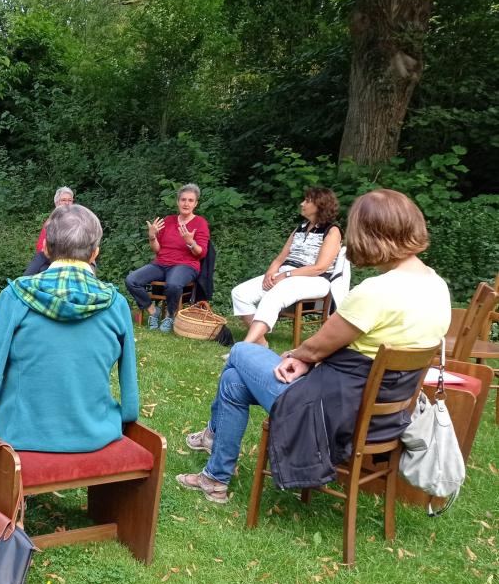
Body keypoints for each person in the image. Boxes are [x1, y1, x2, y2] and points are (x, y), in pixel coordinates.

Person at [177, 189, 451, 504]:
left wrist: (299, 356)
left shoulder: (377, 291)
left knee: (240, 353)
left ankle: (213, 441)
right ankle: (214, 478)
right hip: (384, 417)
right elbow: (330, 350)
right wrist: (307, 358)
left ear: (370, 235)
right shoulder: (436, 285)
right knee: (234, 382)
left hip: (330, 415)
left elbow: (317, 346)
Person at [0, 204, 138, 471]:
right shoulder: (116, 304)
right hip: (97, 433)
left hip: (20, 433)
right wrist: (126, 416)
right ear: (95, 253)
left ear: (46, 249)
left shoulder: (15, 297)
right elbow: (129, 383)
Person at [231, 187, 343, 345]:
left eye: (307, 201)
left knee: (273, 295)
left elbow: (320, 267)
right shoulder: (300, 228)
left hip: (314, 279)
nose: (302, 203)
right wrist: (270, 273)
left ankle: (245, 346)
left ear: (320, 205)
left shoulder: (332, 231)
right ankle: (261, 342)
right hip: (286, 274)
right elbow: (280, 258)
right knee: (240, 293)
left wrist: (286, 275)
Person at [125, 183, 209, 332]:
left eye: (190, 200)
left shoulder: (200, 223)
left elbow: (201, 253)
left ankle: (170, 315)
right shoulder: (169, 220)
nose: (186, 203)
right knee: (132, 280)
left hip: (186, 265)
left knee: (173, 284)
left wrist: (191, 242)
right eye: (183, 199)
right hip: (161, 263)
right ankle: (152, 311)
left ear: (196, 203)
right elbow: (158, 250)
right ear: (178, 202)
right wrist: (152, 237)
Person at [24, 186, 75, 276]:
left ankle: (21, 283)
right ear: (57, 203)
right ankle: (23, 282)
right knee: (41, 264)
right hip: (51, 256)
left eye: (69, 200)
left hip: (69, 257)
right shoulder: (51, 220)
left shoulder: (77, 220)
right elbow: (41, 245)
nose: (67, 203)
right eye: (63, 200)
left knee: (39, 262)